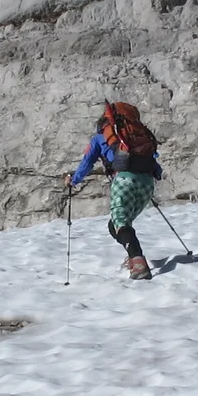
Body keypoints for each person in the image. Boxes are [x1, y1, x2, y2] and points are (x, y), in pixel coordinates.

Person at [68, 102, 163, 280]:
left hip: (124, 180)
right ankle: (133, 256)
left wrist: (73, 180)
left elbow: (87, 163)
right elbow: (156, 167)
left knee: (120, 223)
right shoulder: (136, 136)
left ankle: (138, 263)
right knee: (116, 225)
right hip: (147, 183)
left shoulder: (100, 138)